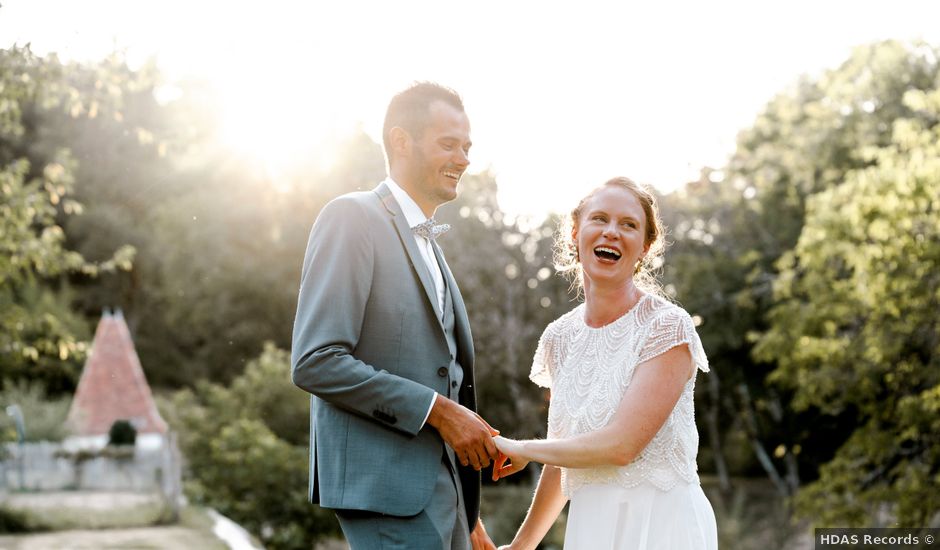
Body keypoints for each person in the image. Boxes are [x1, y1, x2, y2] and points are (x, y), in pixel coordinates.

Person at [291, 82, 498, 550]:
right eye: (449, 144)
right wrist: (441, 412)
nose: (464, 159)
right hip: (387, 493)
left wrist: (468, 515)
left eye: (467, 147)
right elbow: (316, 360)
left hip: (446, 498)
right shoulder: (351, 217)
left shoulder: (432, 246)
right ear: (401, 141)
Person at [491, 177, 718, 549]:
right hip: (591, 527)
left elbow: (621, 446)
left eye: (628, 225)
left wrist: (520, 448)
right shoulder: (559, 338)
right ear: (575, 235)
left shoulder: (667, 327)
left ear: (645, 247)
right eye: (600, 219)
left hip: (662, 526)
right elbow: (562, 454)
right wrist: (522, 545)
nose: (612, 232)